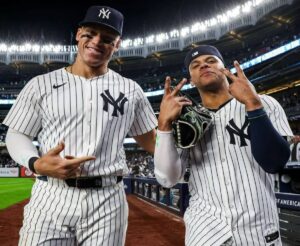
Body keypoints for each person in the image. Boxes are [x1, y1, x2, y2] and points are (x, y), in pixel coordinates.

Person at [3, 5, 157, 245]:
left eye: (107, 38)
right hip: (51, 195)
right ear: (78, 34)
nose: (96, 42)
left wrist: (169, 127)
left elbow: (153, 143)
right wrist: (35, 162)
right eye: (90, 34)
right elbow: (17, 135)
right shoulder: (40, 84)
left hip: (107, 201)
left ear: (117, 45)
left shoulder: (131, 90)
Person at [154, 45, 292, 245]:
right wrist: (164, 125)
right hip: (206, 233)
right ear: (191, 80)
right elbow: (167, 179)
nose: (204, 66)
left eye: (211, 61)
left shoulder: (265, 103)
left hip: (258, 231)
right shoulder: (183, 121)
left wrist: (253, 105)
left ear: (224, 68)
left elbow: (275, 162)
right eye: (196, 65)